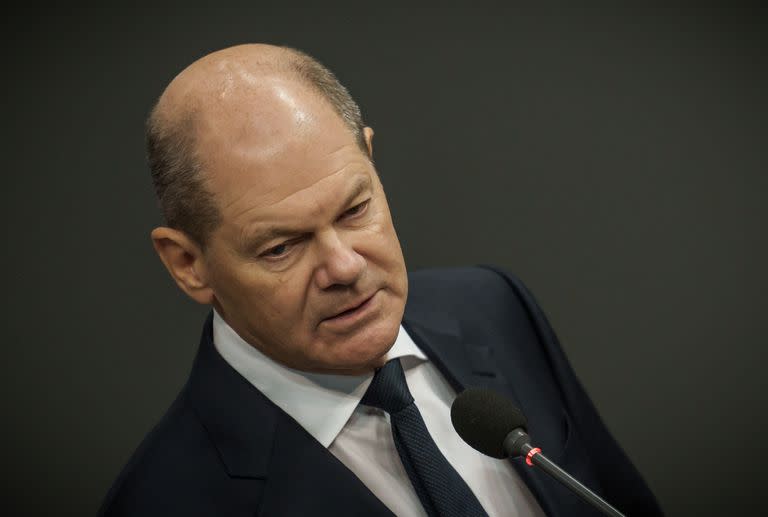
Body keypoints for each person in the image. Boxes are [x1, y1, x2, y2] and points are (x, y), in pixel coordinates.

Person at [99, 44, 662, 516]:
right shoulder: (163, 501)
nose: (344, 267)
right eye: (281, 247)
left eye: (353, 209)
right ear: (187, 265)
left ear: (369, 159)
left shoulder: (492, 306)